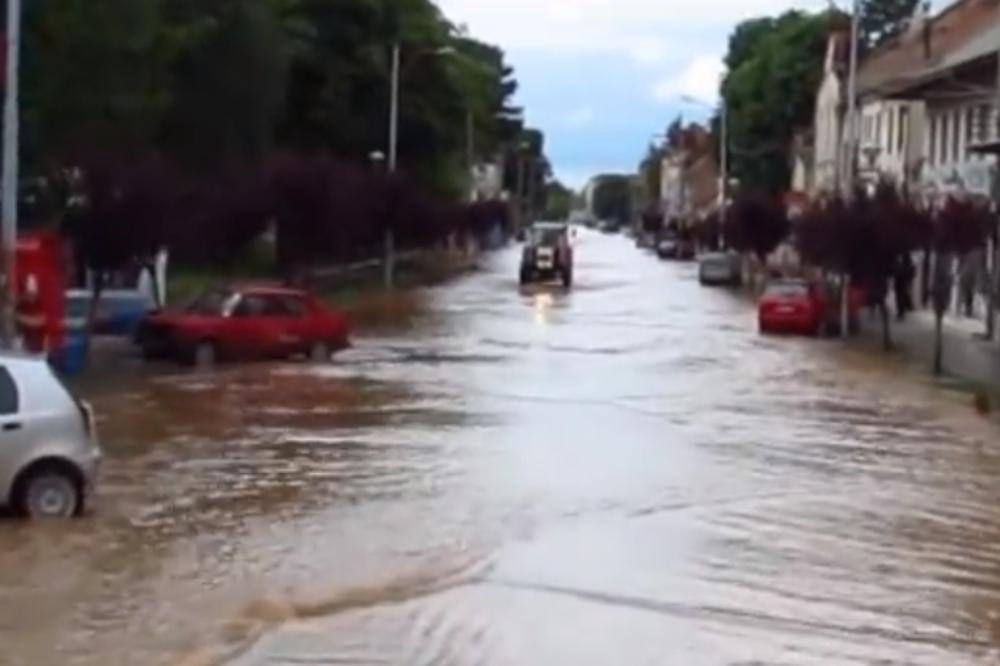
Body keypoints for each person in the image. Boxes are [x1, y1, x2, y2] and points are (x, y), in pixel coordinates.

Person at [15, 275, 47, 354]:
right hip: (26, 345)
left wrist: (20, 318)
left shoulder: (44, 302)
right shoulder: (22, 304)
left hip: (42, 346)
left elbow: (41, 321)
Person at [894, 253, 915, 321]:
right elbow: (912, 274)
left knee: (900, 298)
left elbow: (897, 274)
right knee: (902, 297)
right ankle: (902, 311)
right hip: (904, 283)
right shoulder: (909, 265)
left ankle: (901, 312)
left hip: (901, 283)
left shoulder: (901, 265)